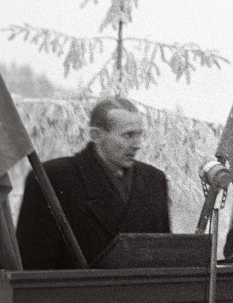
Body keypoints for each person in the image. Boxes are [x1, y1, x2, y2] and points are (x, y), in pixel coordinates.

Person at [16, 97, 171, 269]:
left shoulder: (154, 181)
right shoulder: (53, 178)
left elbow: (163, 256)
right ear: (96, 135)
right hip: (75, 294)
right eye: (128, 135)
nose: (137, 145)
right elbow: (34, 265)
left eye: (139, 135)